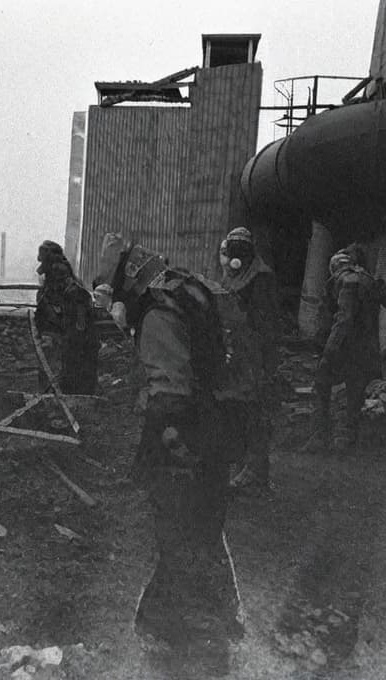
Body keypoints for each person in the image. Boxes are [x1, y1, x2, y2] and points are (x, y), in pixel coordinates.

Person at [93, 233, 241, 649]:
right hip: (217, 423)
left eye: (116, 296)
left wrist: (164, 445)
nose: (117, 311)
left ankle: (175, 626)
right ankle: (216, 615)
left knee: (176, 526)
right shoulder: (186, 288)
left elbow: (171, 390)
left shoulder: (157, 315)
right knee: (205, 525)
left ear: (131, 282)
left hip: (185, 432)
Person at [308, 242, 386, 453]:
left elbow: (342, 320)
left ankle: (320, 437)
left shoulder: (342, 281)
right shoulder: (372, 282)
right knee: (355, 395)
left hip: (341, 349)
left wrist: (328, 352)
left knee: (321, 385)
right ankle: (346, 440)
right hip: (366, 352)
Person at [213, 227, 280, 491]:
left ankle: (256, 471)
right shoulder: (234, 273)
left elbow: (264, 324)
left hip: (254, 355)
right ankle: (245, 465)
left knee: (255, 412)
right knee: (238, 408)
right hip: (238, 352)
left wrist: (263, 361)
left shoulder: (260, 278)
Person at [33, 240, 100, 394]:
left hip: (71, 340)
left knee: (69, 376)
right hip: (67, 339)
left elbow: (77, 323)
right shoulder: (62, 284)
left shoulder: (70, 290)